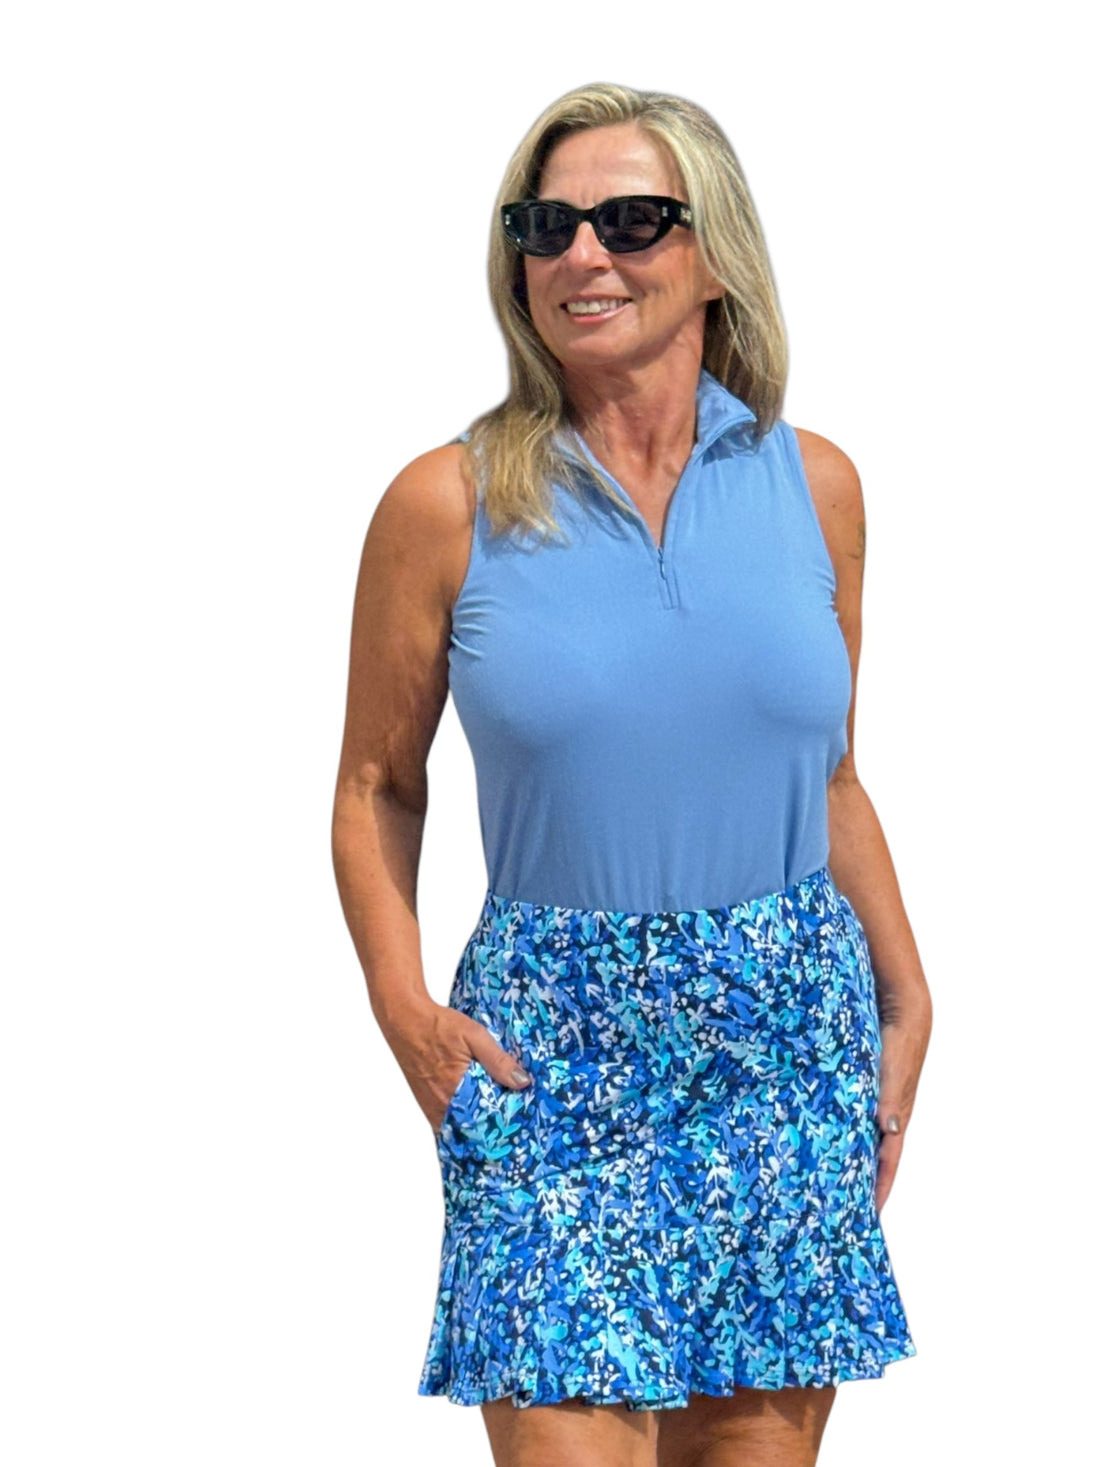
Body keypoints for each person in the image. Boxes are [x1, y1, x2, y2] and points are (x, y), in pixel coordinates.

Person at [331, 81, 933, 1467]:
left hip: (785, 1035)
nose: (582, 255)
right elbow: (376, 785)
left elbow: (831, 771)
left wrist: (907, 990)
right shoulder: (447, 503)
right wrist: (401, 1006)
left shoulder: (816, 487)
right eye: (547, 227)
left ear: (716, 256)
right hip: (552, 1049)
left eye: (631, 221)